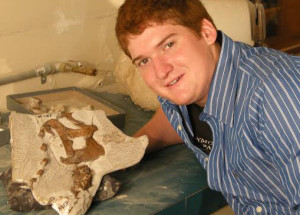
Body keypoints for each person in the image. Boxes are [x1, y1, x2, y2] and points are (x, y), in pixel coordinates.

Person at [115, 0, 300, 214]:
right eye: (144, 61)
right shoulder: (181, 87)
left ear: (206, 32)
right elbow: (171, 119)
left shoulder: (276, 95)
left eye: (168, 45)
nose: (160, 71)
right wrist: (130, 148)